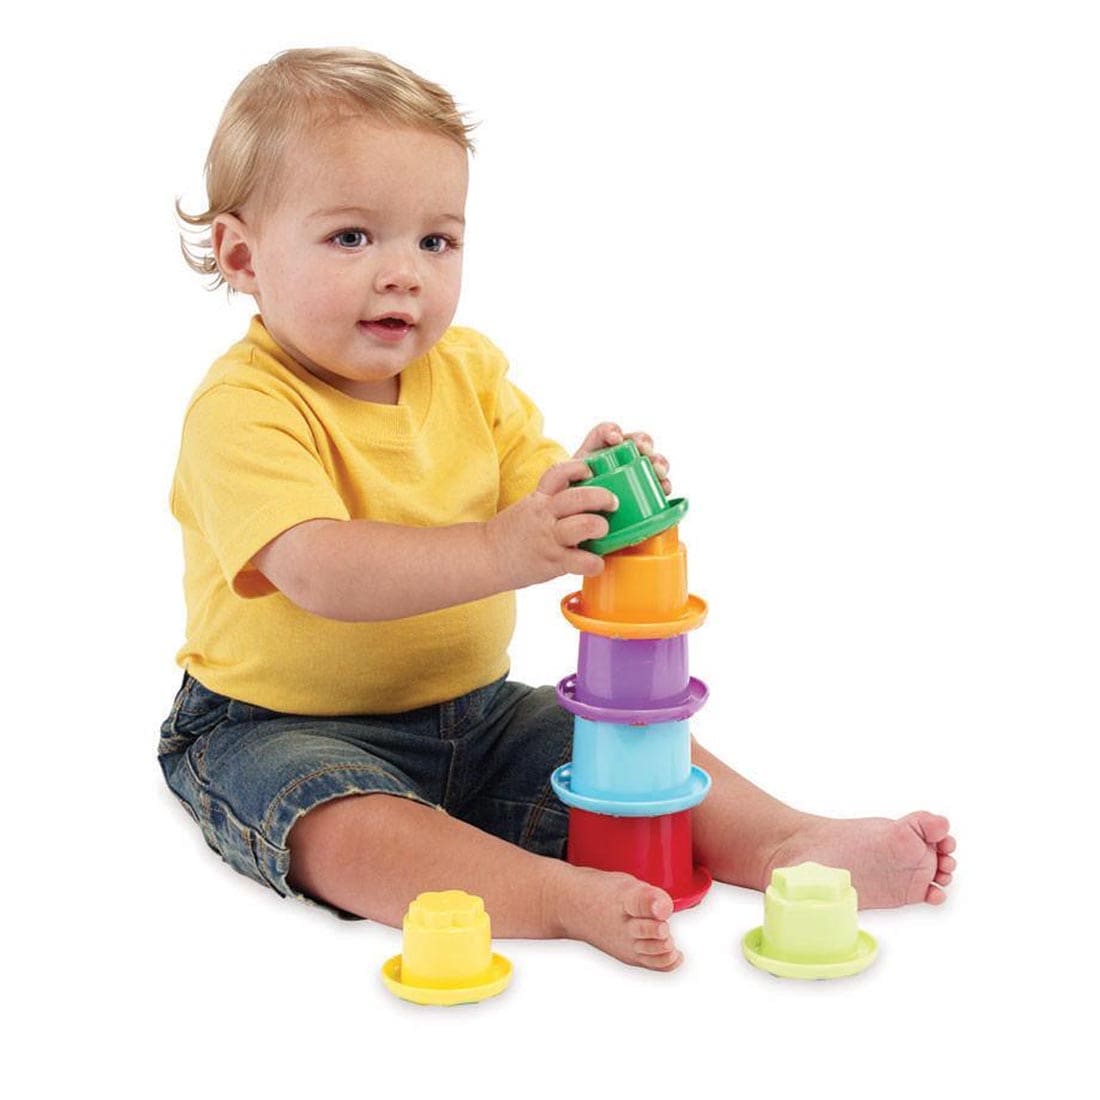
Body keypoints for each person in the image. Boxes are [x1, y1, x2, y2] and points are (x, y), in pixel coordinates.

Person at [161, 47, 956, 971]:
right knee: (340, 824)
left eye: (436, 240)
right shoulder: (244, 407)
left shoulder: (470, 372)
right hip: (275, 723)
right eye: (351, 237)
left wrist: (597, 494)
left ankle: (786, 842)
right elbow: (321, 571)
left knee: (623, 753)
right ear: (242, 254)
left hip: (479, 713)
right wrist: (504, 551)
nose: (404, 273)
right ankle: (551, 898)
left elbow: (535, 501)